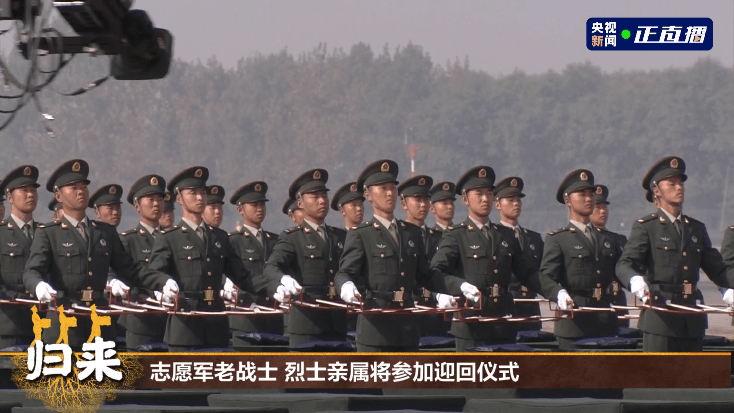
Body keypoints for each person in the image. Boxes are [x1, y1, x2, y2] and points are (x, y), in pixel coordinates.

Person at [22, 159, 170, 349]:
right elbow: (31, 271)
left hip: (99, 322)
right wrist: (39, 286)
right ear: (58, 195)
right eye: (73, 187)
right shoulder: (49, 234)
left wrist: (162, 281)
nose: (80, 191)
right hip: (64, 322)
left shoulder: (105, 232)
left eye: (83, 186)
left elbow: (130, 270)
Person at [336, 160, 475, 352]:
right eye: (383, 188)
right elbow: (344, 272)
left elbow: (427, 276)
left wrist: (458, 285)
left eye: (392, 187)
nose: (389, 193)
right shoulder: (361, 234)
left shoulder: (411, 233)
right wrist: (346, 286)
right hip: (376, 330)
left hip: (407, 327)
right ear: (367, 195)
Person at [616, 156, 734, 351]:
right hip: (660, 317)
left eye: (680, 183)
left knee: (691, 379)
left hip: (692, 318)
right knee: (660, 379)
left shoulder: (695, 228)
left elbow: (718, 269)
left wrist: (728, 289)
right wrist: (635, 281)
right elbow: (624, 264)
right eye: (671, 183)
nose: (679, 188)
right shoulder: (647, 227)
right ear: (656, 191)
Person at [144, 166, 260, 351]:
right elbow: (154, 273)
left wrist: (275, 285)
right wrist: (162, 285)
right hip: (185, 327)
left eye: (202, 192)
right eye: (193, 193)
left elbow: (244, 277)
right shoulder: (169, 237)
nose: (200, 197)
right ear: (179, 198)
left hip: (216, 323)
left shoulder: (219, 237)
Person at [430, 167, 542, 351]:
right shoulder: (456, 235)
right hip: (471, 325)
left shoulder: (505, 234)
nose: (485, 199)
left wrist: (557, 292)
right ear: (465, 199)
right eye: (479, 193)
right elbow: (435, 272)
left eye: (489, 193)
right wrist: (458, 287)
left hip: (504, 321)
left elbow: (528, 273)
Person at [538, 169, 621, 350]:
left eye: (590, 194)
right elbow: (546, 277)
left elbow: (621, 270)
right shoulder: (558, 239)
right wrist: (558, 293)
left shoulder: (608, 239)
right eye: (582, 194)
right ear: (568, 200)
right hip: (574, 324)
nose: (589, 199)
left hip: (605, 320)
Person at [263, 169, 347, 348]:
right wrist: (283, 279)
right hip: (307, 324)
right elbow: (271, 267)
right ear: (300, 202)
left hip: (338, 321)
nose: (322, 201)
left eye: (324, 195)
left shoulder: (340, 236)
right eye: (315, 196)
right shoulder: (292, 238)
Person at [226, 181, 283, 347]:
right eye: (254, 205)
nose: (259, 209)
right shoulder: (233, 241)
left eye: (262, 204)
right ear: (240, 209)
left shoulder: (275, 240)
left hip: (273, 314)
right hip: (246, 317)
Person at [118, 174, 168, 350]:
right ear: (136, 205)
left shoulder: (173, 238)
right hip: (141, 322)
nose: (156, 204)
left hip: (171, 322)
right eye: (150, 199)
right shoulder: (127, 241)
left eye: (160, 199)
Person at [493, 176, 544, 332]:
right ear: (497, 205)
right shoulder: (493, 236)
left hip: (531, 307)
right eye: (510, 200)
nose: (516, 203)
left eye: (518, 200)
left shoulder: (533, 238)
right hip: (507, 304)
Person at [0, 165, 40, 348]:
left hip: (44, 326)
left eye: (33, 190)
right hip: (11, 327)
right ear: (9, 198)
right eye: (24, 191)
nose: (30, 195)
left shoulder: (45, 233)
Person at [589, 184, 630, 328]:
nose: (603, 211)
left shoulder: (618, 240)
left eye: (605, 207)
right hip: (589, 305)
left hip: (615, 302)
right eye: (597, 207)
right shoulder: (579, 239)